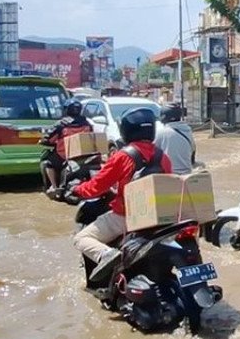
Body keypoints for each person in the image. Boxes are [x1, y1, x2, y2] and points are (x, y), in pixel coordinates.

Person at [72, 108, 171, 262]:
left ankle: (109, 256)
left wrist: (77, 190)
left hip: (126, 217)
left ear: (126, 130)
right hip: (159, 217)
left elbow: (95, 188)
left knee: (81, 238)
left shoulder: (123, 156)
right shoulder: (163, 157)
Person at [41, 98, 95, 196]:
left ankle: (54, 186)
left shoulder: (61, 124)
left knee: (48, 163)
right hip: (85, 154)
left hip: (65, 155)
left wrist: (43, 141)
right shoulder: (87, 123)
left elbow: (48, 139)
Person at [155, 103, 195, 174]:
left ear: (164, 116)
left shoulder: (161, 132)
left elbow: (152, 153)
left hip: (169, 175)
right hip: (187, 173)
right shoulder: (188, 131)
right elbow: (192, 151)